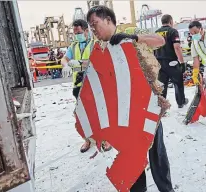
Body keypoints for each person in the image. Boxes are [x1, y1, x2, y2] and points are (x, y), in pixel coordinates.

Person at [87, 5, 175, 192]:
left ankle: (166, 189)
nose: (93, 29)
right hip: (124, 113)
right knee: (131, 156)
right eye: (91, 26)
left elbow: (159, 40)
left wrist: (134, 38)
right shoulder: (98, 47)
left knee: (156, 154)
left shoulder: (131, 31)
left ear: (108, 20)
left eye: (95, 23)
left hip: (147, 105)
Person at [60, 19, 112, 153]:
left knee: (100, 114)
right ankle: (88, 139)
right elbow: (65, 58)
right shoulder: (74, 46)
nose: (77, 35)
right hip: (79, 86)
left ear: (86, 31)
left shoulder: (95, 44)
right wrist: (65, 64)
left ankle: (106, 139)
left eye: (79, 32)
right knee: (83, 116)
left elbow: (98, 61)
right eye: (75, 32)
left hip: (95, 85)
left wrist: (79, 63)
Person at [154, 14, 188, 108]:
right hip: (171, 62)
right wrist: (182, 62)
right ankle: (181, 102)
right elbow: (177, 47)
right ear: (170, 21)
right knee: (178, 82)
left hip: (159, 62)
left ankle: (162, 105)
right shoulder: (173, 31)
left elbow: (153, 48)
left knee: (162, 85)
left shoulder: (156, 33)